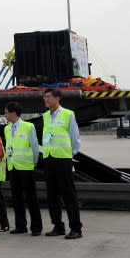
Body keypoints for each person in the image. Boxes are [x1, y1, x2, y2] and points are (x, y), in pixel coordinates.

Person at [42, 88, 83, 239]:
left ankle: (76, 229)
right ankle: (58, 226)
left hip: (63, 159)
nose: (46, 99)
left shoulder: (68, 114)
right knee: (52, 195)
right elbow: (46, 136)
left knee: (68, 194)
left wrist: (70, 154)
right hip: (49, 158)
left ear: (57, 98)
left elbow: (74, 136)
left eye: (48, 96)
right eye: (44, 97)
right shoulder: (46, 116)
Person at [3, 102, 42, 236]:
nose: (5, 115)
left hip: (26, 167)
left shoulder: (28, 126)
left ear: (14, 113)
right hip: (13, 167)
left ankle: (36, 227)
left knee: (31, 198)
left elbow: (35, 147)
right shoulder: (7, 129)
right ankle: (21, 226)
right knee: (16, 198)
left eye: (6, 112)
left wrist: (33, 163)